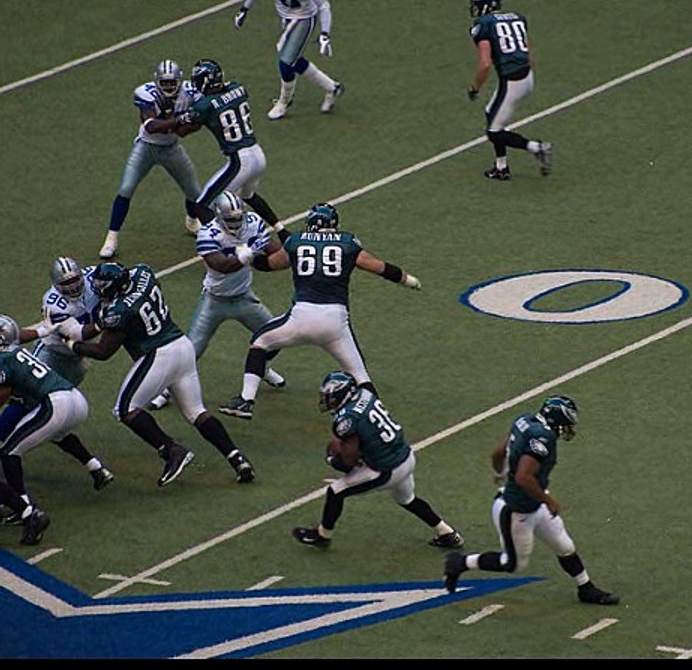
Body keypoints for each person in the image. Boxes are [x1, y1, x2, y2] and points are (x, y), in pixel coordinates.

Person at [58, 262, 256, 487]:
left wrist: (73, 345)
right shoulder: (142, 272)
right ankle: (237, 459)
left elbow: (103, 352)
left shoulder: (119, 310)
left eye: (102, 286)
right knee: (196, 412)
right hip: (182, 346)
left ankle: (171, 450)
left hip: (159, 354)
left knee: (124, 409)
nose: (97, 288)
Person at [218, 203, 421, 420]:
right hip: (335, 322)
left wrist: (249, 257)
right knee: (360, 375)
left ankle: (246, 401)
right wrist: (408, 280)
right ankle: (379, 419)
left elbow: (270, 264)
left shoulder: (296, 241)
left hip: (301, 317)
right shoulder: (348, 243)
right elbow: (380, 267)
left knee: (260, 342)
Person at [443, 395, 619, 606]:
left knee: (564, 546)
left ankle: (586, 588)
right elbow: (523, 478)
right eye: (566, 424)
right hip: (516, 510)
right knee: (512, 564)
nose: (567, 429)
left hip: (533, 502)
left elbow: (498, 452)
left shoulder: (525, 420)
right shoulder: (543, 438)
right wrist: (549, 500)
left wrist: (500, 471)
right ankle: (460, 562)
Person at [291, 370, 464, 550]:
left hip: (385, 469)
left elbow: (349, 460)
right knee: (407, 499)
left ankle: (322, 536)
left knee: (335, 491)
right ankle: (447, 533)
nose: (328, 401)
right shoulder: (365, 394)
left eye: (331, 397)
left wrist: (333, 460)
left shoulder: (348, 419)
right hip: (406, 456)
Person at [150, 191, 286, 410]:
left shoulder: (253, 223)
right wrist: (248, 253)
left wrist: (290, 249)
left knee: (276, 337)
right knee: (191, 352)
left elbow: (273, 250)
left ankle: (261, 369)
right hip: (215, 301)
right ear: (219, 217)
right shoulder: (208, 233)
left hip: (244, 297)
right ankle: (166, 390)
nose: (236, 223)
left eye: (238, 218)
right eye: (230, 219)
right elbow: (221, 266)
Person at [0, 258, 113, 491]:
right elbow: (78, 334)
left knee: (29, 410)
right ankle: (95, 466)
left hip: (61, 359)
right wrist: (105, 321)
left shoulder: (92, 276)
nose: (73, 287)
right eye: (66, 283)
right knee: (50, 420)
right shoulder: (54, 303)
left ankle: (19, 497)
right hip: (68, 359)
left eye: (75, 280)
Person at [153, 59, 291, 242]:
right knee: (247, 195)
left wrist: (164, 119)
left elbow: (181, 130)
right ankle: (282, 231)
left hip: (240, 160)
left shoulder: (205, 105)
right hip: (258, 154)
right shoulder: (238, 88)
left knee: (202, 206)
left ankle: (227, 245)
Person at [99, 60, 204, 260]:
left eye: (172, 83)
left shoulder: (191, 92)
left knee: (194, 191)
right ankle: (111, 237)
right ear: (156, 82)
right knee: (126, 188)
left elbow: (192, 127)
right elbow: (151, 126)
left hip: (171, 148)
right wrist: (180, 120)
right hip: (146, 147)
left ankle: (192, 221)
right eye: (164, 83)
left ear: (180, 81)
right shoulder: (145, 93)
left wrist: (177, 123)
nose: (169, 87)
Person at [0, 314, 90, 545]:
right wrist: (42, 330)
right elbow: (18, 336)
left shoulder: (3, 360)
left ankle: (26, 511)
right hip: (72, 397)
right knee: (17, 447)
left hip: (55, 402)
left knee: (9, 451)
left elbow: (4, 392)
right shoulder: (13, 350)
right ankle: (27, 511)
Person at [467, 0, 552, 181]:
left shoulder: (483, 25)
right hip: (526, 77)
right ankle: (501, 167)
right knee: (490, 112)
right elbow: (528, 53)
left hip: (512, 82)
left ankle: (537, 148)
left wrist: (475, 88)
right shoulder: (516, 17)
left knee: (494, 133)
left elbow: (485, 65)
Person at [233, 0, 344, 120]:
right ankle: (332, 87)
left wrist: (325, 33)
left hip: (304, 18)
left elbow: (323, 5)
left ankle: (284, 101)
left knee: (286, 64)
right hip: (286, 18)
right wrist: (244, 9)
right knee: (293, 59)